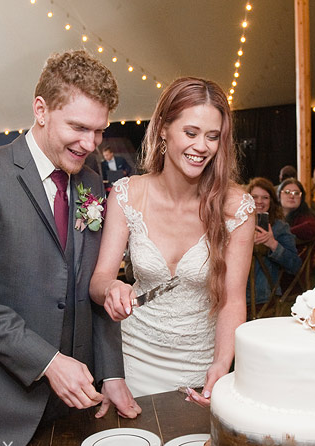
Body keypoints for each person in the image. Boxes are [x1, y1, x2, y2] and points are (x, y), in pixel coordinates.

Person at [0, 50, 138, 446]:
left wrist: (112, 372)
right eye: (79, 127)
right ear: (41, 110)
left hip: (73, 405)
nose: (91, 144)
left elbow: (92, 285)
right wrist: (48, 362)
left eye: (99, 131)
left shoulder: (88, 180)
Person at [90, 77, 255, 404]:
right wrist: (112, 289)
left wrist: (222, 363)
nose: (202, 146)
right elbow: (99, 279)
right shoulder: (128, 194)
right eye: (191, 133)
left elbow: (232, 300)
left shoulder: (237, 208)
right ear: (163, 129)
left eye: (212, 137)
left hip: (199, 365)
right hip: (131, 360)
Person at [246, 177, 300, 305]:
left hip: (261, 296)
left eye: (265, 197)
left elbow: (295, 265)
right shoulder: (236, 223)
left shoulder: (279, 227)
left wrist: (273, 244)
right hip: (231, 292)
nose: (259, 201)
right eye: (254, 197)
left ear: (271, 201)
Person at [278, 178, 315, 257]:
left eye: (296, 193)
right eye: (287, 192)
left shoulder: (305, 215)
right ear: (279, 195)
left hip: (291, 263)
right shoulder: (272, 213)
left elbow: (311, 227)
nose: (292, 196)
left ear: (301, 198)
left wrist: (278, 234)